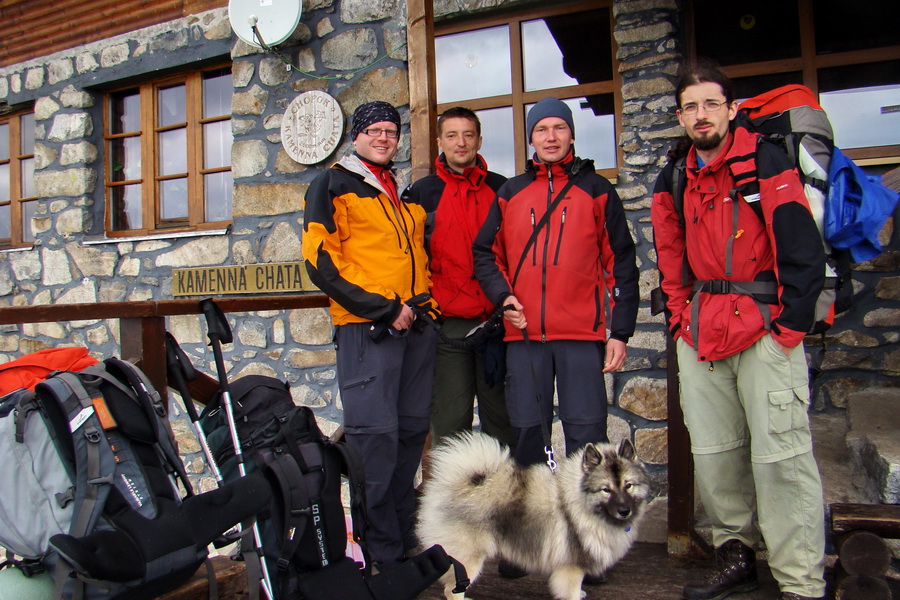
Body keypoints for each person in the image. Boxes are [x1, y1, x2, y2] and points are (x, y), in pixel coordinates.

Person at [651, 60, 827, 600]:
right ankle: (736, 553)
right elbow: (670, 253)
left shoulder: (765, 160)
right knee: (715, 454)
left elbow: (800, 246)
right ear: (680, 116)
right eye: (690, 106)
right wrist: (680, 318)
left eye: (710, 103)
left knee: (781, 456)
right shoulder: (675, 174)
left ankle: (799, 581)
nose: (700, 115)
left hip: (763, 327)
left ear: (730, 109)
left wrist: (789, 328)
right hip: (701, 333)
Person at [301, 101, 439, 570]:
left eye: (391, 131)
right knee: (375, 441)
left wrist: (424, 305)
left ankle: (400, 541)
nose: (384, 137)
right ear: (356, 136)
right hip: (369, 331)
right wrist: (385, 308)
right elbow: (321, 262)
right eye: (375, 130)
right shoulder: (332, 183)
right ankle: (377, 554)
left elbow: (411, 257)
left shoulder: (395, 191)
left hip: (416, 327)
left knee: (409, 436)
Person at [473, 97, 639, 470]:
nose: (551, 137)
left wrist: (621, 332)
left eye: (559, 128)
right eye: (541, 129)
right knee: (529, 436)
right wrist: (504, 298)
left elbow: (621, 262)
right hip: (524, 336)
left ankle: (589, 523)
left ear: (571, 134)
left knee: (588, 438)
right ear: (531, 137)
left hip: (581, 336)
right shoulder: (511, 193)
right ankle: (538, 524)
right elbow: (484, 253)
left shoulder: (597, 190)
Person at [404, 106, 514, 448]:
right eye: (452, 135)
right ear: (440, 141)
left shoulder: (503, 189)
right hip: (447, 327)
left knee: (503, 421)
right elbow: (410, 259)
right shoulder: (421, 194)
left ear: (479, 140)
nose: (460, 143)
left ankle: (506, 498)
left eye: (468, 134)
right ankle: (452, 501)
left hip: (497, 322)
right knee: (450, 424)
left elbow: (515, 252)